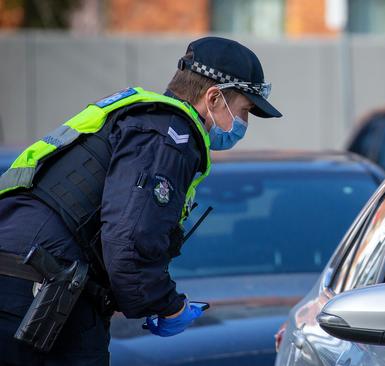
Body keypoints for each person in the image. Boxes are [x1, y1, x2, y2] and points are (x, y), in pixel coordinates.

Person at [0, 37, 281, 365]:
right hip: (34, 299)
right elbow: (131, 238)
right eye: (244, 111)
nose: (243, 124)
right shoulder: (169, 133)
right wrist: (169, 305)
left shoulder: (141, 118)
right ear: (214, 97)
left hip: (26, 286)